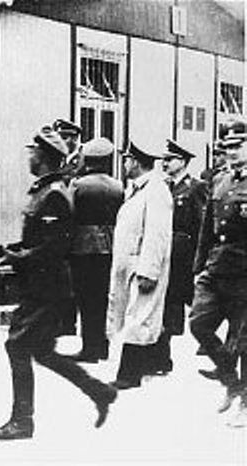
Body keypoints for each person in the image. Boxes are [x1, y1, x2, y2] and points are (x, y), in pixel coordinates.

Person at [0, 126, 117, 441]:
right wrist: (12, 251)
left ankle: (22, 421)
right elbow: (40, 240)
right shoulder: (44, 189)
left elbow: (55, 247)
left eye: (33, 151)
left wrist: (17, 258)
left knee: (16, 345)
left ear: (43, 155)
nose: (29, 156)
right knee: (41, 350)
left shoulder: (55, 193)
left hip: (48, 287)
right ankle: (98, 391)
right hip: (40, 284)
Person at [190, 118, 247, 427]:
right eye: (227, 148)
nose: (232, 153)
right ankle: (232, 381)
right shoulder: (220, 181)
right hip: (216, 267)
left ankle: (245, 403)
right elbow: (206, 230)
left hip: (244, 273)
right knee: (199, 324)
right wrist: (198, 268)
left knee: (244, 341)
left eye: (238, 147)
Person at [107, 141, 173, 390]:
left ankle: (129, 374)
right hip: (131, 263)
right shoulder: (137, 189)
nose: (124, 164)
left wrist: (150, 270)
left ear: (135, 161)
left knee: (140, 316)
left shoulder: (156, 190)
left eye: (126, 159)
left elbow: (157, 234)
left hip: (142, 265)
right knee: (135, 315)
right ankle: (154, 362)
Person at [148, 139, 206, 375]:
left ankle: (164, 357)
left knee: (172, 304)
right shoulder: (163, 186)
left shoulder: (195, 187)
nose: (165, 163)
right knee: (160, 303)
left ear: (182, 162)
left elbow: (202, 225)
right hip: (163, 252)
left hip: (182, 257)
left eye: (169, 159)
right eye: (164, 159)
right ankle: (159, 357)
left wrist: (197, 261)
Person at [67, 137, 124, 363]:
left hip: (82, 248)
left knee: (85, 298)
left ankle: (89, 347)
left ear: (87, 160)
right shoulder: (118, 186)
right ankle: (102, 345)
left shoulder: (77, 185)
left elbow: (69, 215)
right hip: (110, 247)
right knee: (102, 298)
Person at [52, 118, 83, 335]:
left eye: (65, 137)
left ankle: (69, 322)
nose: (62, 141)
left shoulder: (83, 160)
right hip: (61, 225)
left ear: (73, 138)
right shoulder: (61, 162)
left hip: (78, 225)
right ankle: (64, 321)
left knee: (73, 275)